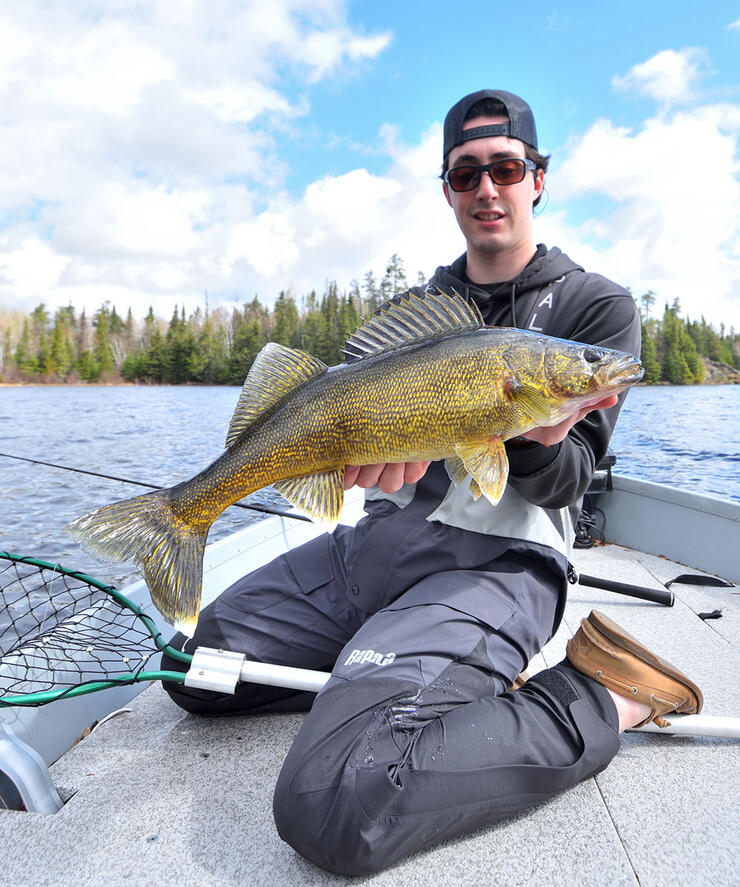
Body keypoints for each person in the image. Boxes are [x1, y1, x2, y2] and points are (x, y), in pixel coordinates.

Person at [162, 89, 702, 876]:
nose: (488, 188)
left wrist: (530, 438)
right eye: (466, 173)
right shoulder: (422, 310)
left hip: (495, 569)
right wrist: (352, 465)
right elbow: (362, 445)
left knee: (341, 800)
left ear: (537, 178)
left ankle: (604, 694)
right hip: (377, 549)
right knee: (194, 667)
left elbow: (569, 481)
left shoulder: (593, 307)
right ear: (447, 188)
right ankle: (395, 674)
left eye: (506, 168)